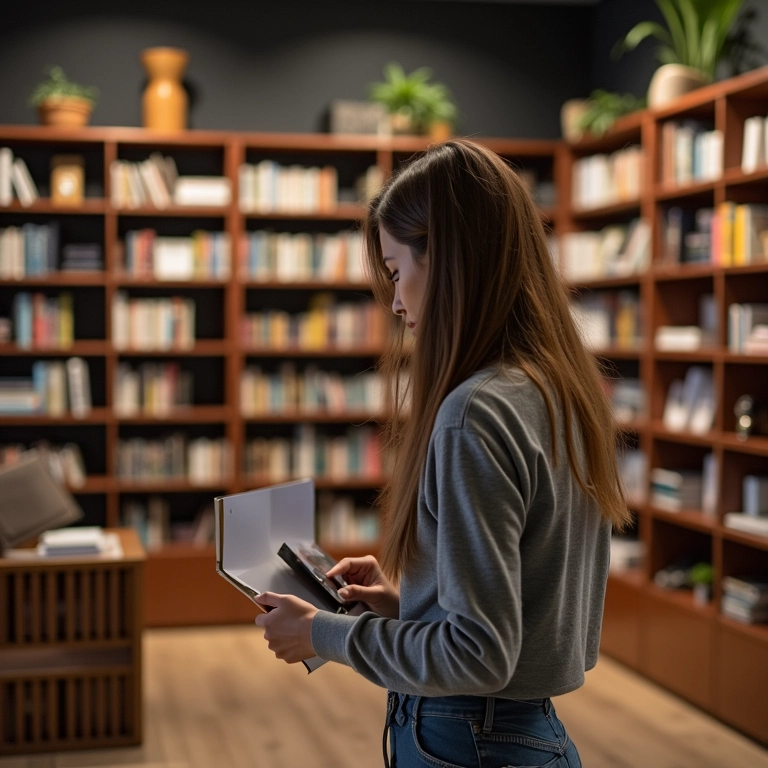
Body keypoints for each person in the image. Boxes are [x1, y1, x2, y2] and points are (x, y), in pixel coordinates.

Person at [254, 138, 630, 767]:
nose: (396, 302)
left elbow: (479, 655)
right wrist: (411, 604)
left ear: (452, 262)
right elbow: (524, 617)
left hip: (465, 740)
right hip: (523, 731)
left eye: (397, 272)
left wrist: (321, 631)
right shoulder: (558, 390)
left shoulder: (473, 413)